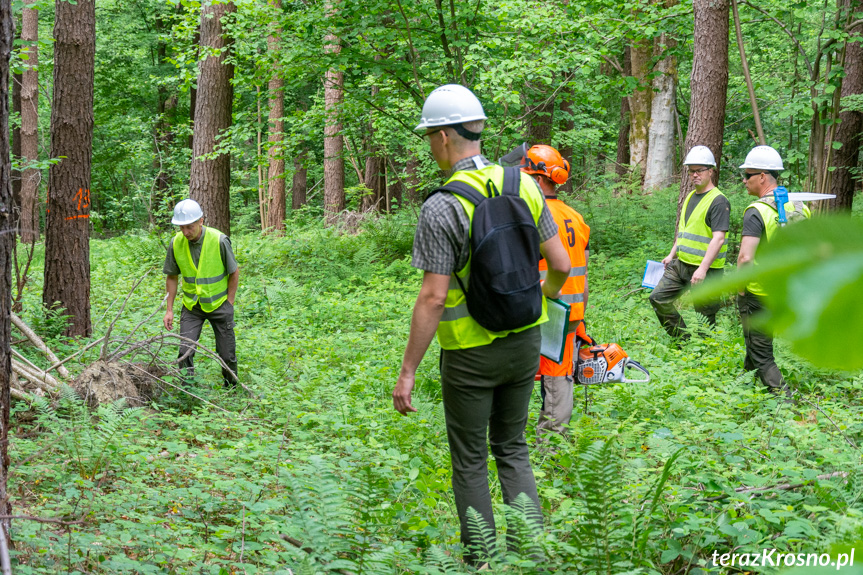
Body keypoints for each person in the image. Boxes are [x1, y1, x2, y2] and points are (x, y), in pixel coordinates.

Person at [391, 84, 570, 564]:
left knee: (470, 461)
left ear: (446, 137)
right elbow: (562, 264)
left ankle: (481, 560)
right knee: (512, 448)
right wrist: (541, 299)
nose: (430, 145)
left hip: (469, 356)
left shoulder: (443, 205)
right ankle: (530, 552)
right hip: (524, 342)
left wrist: (407, 370)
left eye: (430, 136)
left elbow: (432, 297)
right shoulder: (525, 185)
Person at [521, 145, 590, 440]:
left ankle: (549, 449)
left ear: (537, 180)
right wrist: (581, 315)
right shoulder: (575, 217)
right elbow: (584, 277)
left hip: (541, 310)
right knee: (558, 378)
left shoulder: (531, 215)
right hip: (570, 312)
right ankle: (551, 441)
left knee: (535, 377)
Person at [737, 145, 809, 398]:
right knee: (755, 339)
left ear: (763, 177)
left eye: (747, 175)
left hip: (759, 291)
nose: (744, 180)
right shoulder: (799, 207)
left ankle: (785, 399)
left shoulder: (756, 211)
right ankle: (744, 383)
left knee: (762, 351)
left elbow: (746, 256)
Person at [649, 145, 730, 341]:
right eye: (691, 171)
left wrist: (702, 269)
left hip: (707, 270)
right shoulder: (690, 196)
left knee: (705, 318)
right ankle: (683, 340)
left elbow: (718, 238)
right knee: (658, 298)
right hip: (682, 264)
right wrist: (671, 254)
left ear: (711, 171)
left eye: (699, 170)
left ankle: (705, 356)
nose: (694, 175)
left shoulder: (719, 201)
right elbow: (684, 231)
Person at [163, 199, 239, 387]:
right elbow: (172, 277)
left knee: (226, 353)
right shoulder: (176, 243)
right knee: (184, 351)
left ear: (201, 221)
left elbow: (234, 272)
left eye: (189, 227)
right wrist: (169, 309)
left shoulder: (219, 240)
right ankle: (187, 390)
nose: (185, 232)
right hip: (192, 307)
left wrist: (229, 303)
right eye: (181, 228)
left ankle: (231, 388)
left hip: (219, 304)